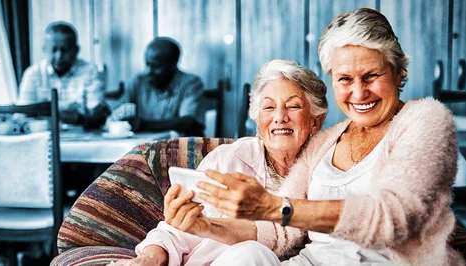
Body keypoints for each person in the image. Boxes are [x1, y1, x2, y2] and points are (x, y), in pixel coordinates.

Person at [171, 8, 466, 265]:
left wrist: (275, 207)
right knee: (247, 255)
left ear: (399, 71)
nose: (359, 92)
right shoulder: (326, 140)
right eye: (345, 79)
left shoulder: (425, 118)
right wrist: (203, 226)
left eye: (371, 76)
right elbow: (277, 231)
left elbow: (392, 218)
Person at [111, 59, 328, 266]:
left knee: (253, 253)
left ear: (315, 120)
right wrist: (149, 258)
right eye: (269, 108)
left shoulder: (329, 167)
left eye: (293, 106)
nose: (279, 117)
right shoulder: (229, 159)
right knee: (251, 253)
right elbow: (179, 230)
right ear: (257, 119)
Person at [18, 21, 110, 129]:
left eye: (65, 50)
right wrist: (66, 116)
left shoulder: (91, 72)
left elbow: (96, 114)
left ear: (76, 50)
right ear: (44, 49)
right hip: (42, 138)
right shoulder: (32, 74)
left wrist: (49, 113)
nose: (59, 56)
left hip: (83, 139)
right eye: (54, 49)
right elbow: (22, 113)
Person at [107, 37, 205, 136]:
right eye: (147, 64)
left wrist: (144, 125)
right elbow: (119, 109)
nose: (149, 71)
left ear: (172, 64)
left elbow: (188, 122)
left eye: (156, 66)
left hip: (182, 146)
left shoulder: (191, 83)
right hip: (146, 144)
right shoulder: (139, 81)